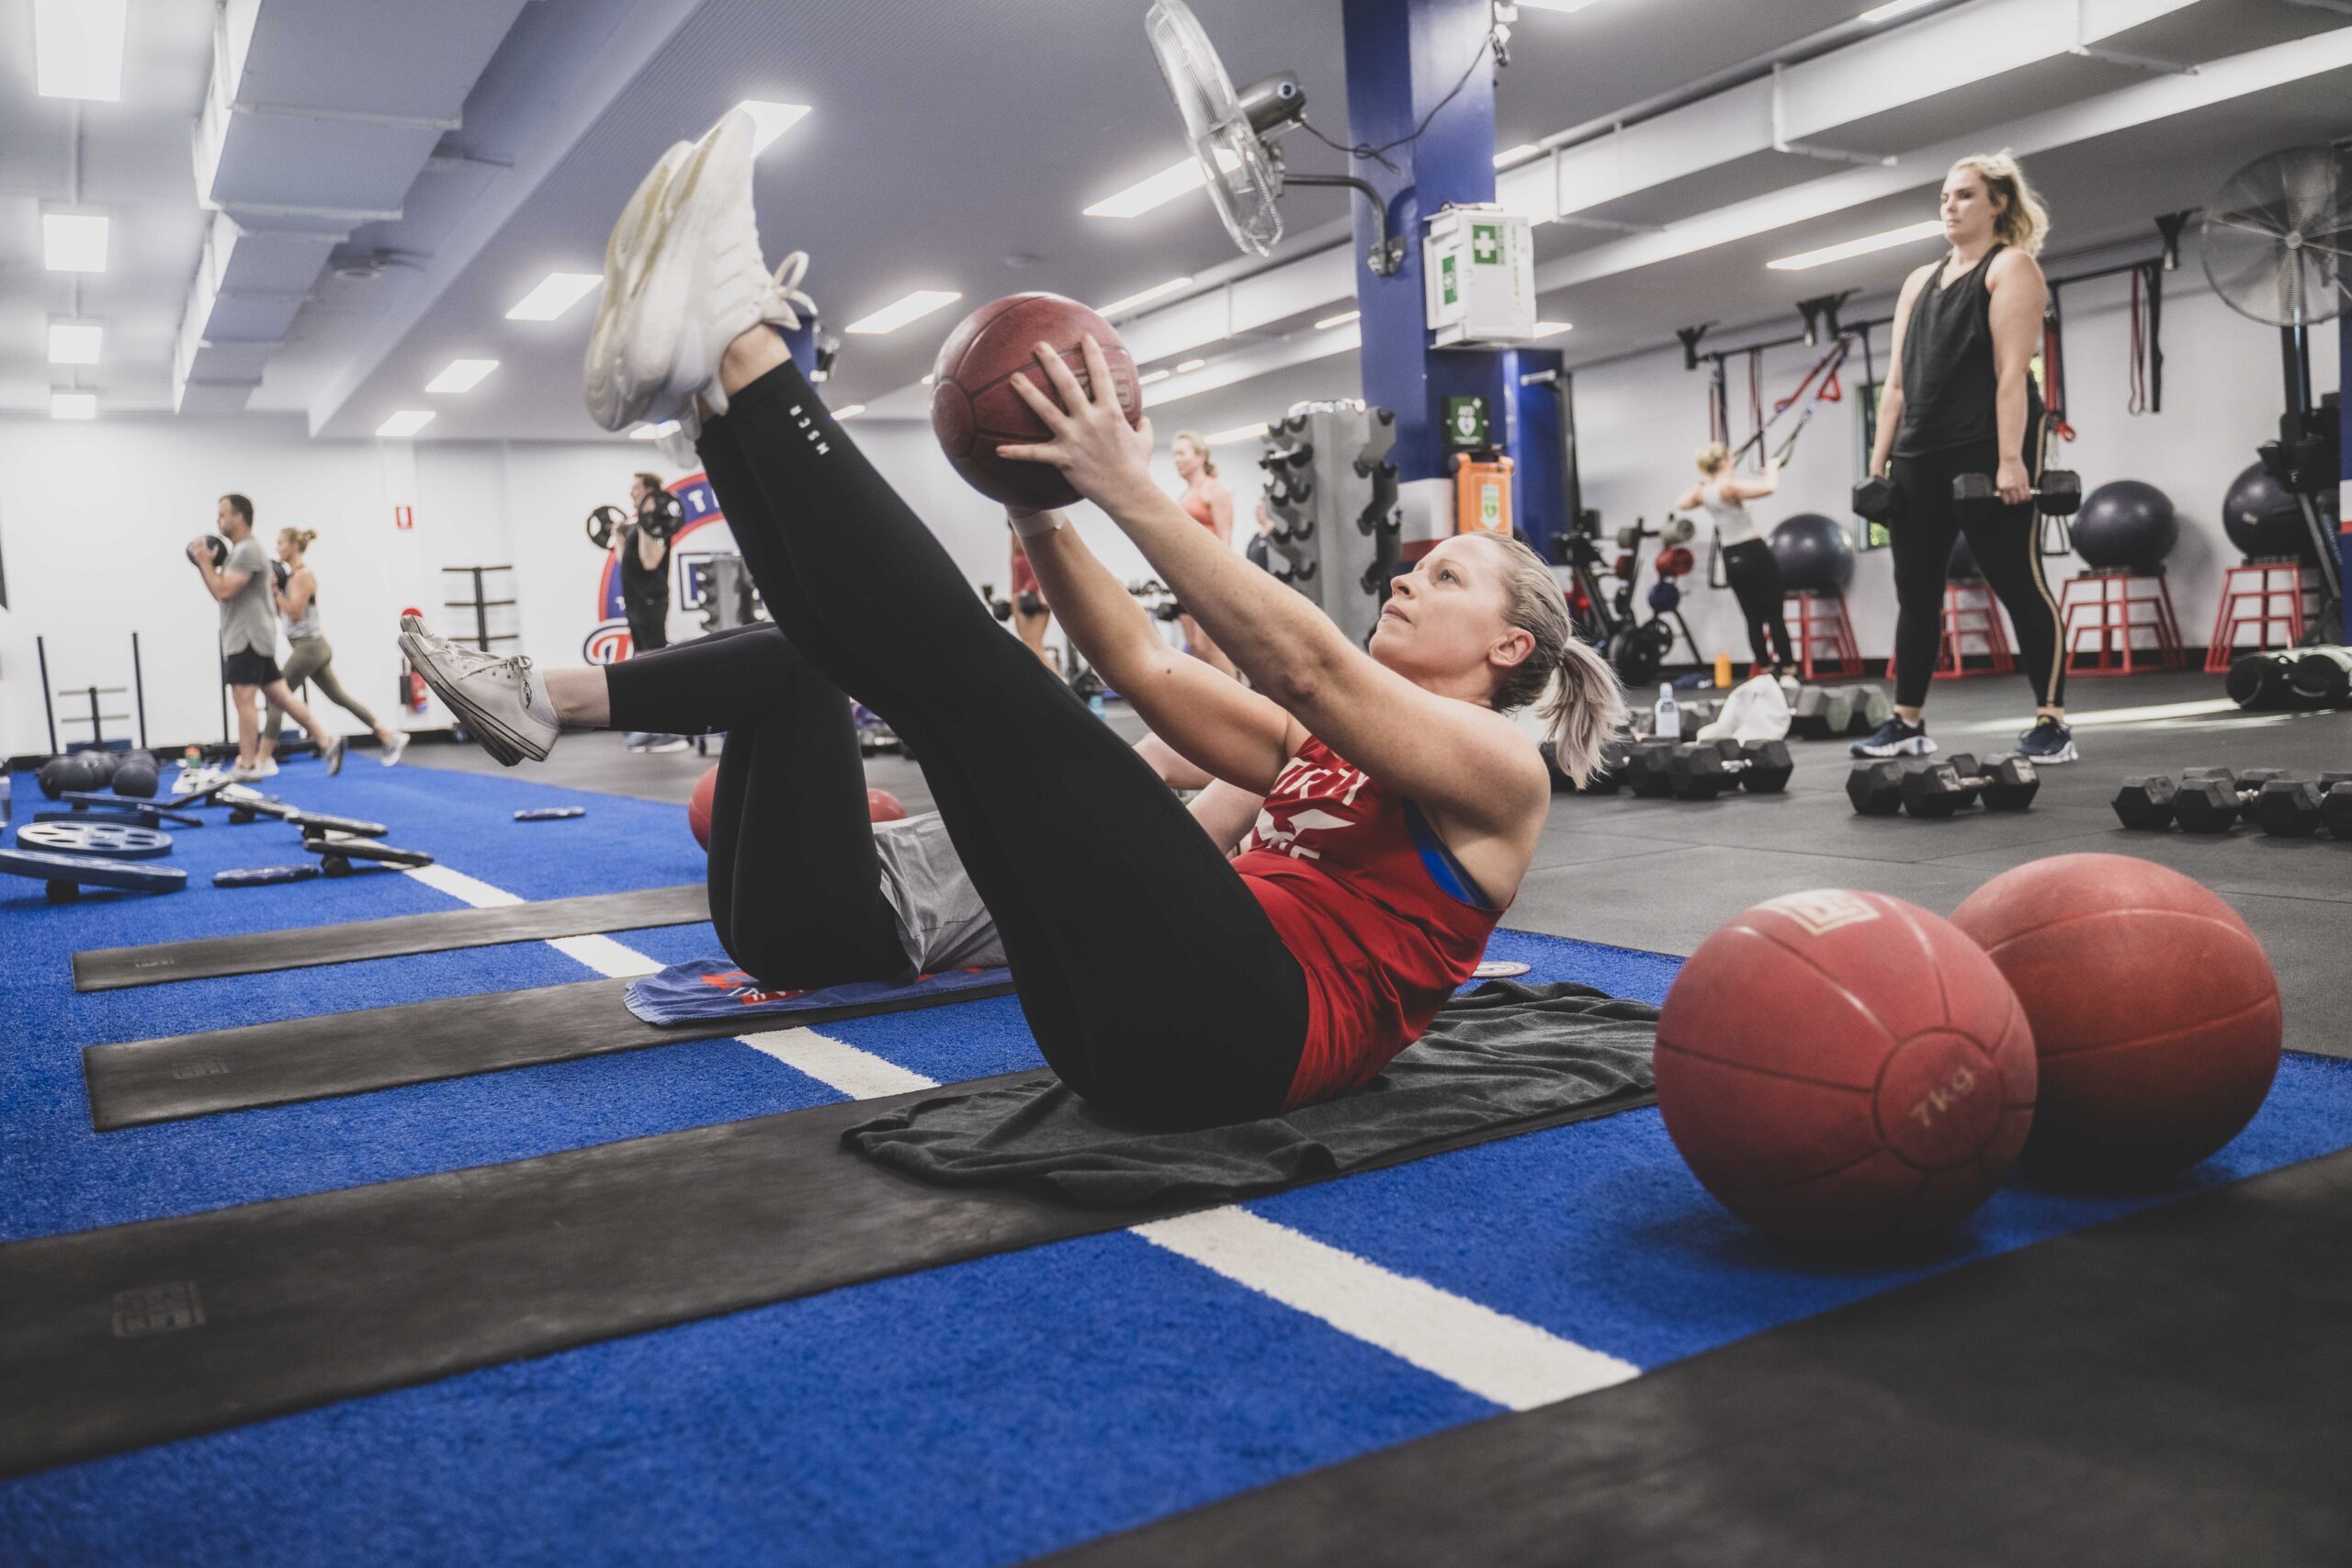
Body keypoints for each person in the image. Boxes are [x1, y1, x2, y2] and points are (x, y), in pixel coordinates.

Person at [576, 108, 1626, 1129]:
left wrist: (1132, 488)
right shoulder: (1315, 752)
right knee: (926, 694)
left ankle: (749, 360)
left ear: (1508, 646)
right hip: (1121, 1034)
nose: (1405, 580)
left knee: (986, 687)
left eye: (1445, 579)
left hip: (1254, 1031)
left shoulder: (1501, 772)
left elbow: (1311, 668)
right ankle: (707, 399)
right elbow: (1142, 665)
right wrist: (1039, 513)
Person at [396, 617, 1267, 985]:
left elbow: (1234, 786)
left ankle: (542, 700)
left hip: (849, 929)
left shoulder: (1177, 857)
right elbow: (1164, 745)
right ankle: (535, 701)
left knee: (800, 664)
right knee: (787, 645)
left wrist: (1308, 733)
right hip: (796, 912)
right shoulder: (1135, 798)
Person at [1854, 151, 2071, 762]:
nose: (1950, 205)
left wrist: (2011, 461)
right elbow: (1895, 383)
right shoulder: (1918, 281)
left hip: (1984, 445)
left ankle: (2052, 721)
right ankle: (1907, 721)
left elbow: (2011, 373)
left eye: (1965, 195)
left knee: (2018, 581)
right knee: (1916, 591)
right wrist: (1876, 470)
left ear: (1999, 202)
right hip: (1918, 451)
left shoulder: (2012, 267)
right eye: (1946, 196)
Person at [187, 493, 345, 781]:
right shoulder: (239, 552)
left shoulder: (247, 549)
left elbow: (224, 591)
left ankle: (248, 764)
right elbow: (221, 592)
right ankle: (327, 740)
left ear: (240, 517)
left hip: (248, 637)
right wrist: (205, 567)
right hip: (249, 634)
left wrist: (204, 563)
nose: (218, 520)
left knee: (243, 696)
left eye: (222, 514)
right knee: (280, 696)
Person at [261, 528, 409, 769]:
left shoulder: (303, 575)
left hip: (310, 647)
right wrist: (274, 593)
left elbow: (296, 614)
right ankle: (388, 736)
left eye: (280, 543)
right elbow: (285, 616)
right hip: (308, 647)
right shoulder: (291, 576)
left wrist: (275, 591)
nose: (276, 548)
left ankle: (264, 758)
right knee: (338, 697)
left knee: (277, 697)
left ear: (294, 547)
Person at [1674, 444, 1794, 680]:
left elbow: (1682, 502)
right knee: (1774, 616)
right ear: (1723, 462)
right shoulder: (1729, 488)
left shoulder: (1704, 491)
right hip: (1754, 551)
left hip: (1731, 557)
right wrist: (1772, 467)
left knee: (1753, 619)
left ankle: (1767, 671)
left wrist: (1705, 481)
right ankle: (1789, 670)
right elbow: (1769, 488)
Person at [618, 471, 688, 753]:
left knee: (654, 662)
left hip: (651, 601)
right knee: (641, 662)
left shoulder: (659, 523)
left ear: (650, 492)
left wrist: (645, 525)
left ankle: (671, 733)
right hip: (635, 601)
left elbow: (649, 563)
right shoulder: (640, 526)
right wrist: (617, 533)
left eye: (636, 488)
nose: (631, 493)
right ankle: (649, 730)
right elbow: (625, 560)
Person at [1170, 431, 1238, 679]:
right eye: (1174, 454)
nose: (1177, 459)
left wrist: (1218, 581)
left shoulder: (1214, 490)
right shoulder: (1184, 495)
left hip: (1209, 577)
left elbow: (1225, 540)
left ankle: (1243, 705)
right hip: (1186, 578)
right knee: (1196, 648)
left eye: (1182, 453)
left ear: (1201, 457)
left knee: (1210, 646)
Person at [1006, 526, 1057, 671]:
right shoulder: (1015, 538)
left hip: (1036, 593)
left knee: (1035, 647)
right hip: (1021, 595)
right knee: (1028, 647)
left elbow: (1048, 565)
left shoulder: (1037, 532)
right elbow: (1014, 571)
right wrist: (1013, 597)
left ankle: (1060, 688)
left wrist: (1044, 593)